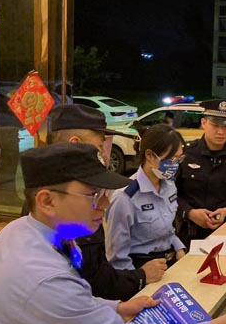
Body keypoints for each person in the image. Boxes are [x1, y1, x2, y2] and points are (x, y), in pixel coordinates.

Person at [0, 143, 226, 324]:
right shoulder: (45, 279)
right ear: (47, 201)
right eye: (93, 195)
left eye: (105, 194)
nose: (105, 205)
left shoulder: (22, 230)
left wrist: (116, 308)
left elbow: (70, 301)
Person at [46, 103, 166, 301]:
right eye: (100, 145)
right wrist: (141, 277)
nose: (103, 206)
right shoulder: (64, 201)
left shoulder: (62, 188)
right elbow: (93, 283)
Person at [175, 99, 226, 249]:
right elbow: (171, 194)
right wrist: (189, 212)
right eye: (215, 125)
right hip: (189, 234)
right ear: (204, 123)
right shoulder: (185, 155)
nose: (221, 132)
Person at [106, 124, 187, 269]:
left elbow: (168, 231)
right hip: (140, 267)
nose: (175, 165)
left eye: (179, 159)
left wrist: (179, 248)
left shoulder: (169, 186)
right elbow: (117, 258)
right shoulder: (125, 197)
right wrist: (140, 277)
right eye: (171, 159)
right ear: (149, 155)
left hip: (169, 262)